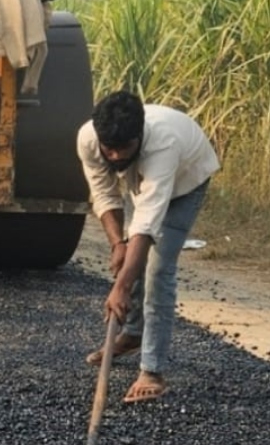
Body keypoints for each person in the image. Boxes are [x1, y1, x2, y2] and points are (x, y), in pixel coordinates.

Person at [77, 90, 220, 403]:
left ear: (139, 136)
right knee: (131, 254)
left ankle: (152, 370)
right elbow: (104, 195)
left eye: (123, 149)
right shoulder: (88, 139)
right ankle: (132, 334)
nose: (115, 156)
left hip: (187, 181)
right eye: (109, 149)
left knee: (157, 269)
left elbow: (146, 224)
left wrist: (122, 287)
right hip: (148, 184)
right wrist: (117, 244)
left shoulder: (162, 144)